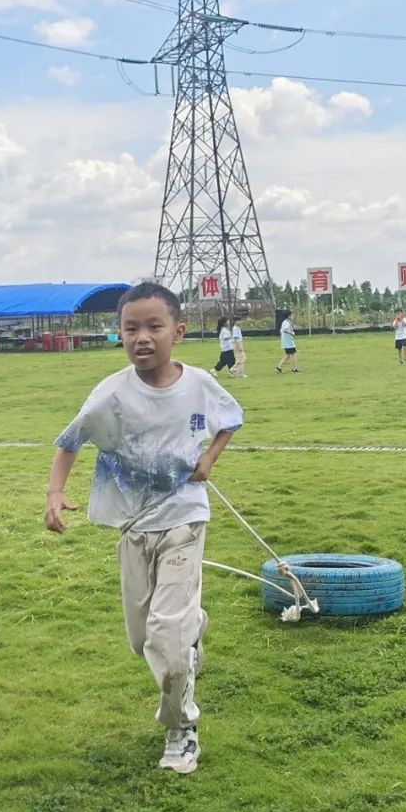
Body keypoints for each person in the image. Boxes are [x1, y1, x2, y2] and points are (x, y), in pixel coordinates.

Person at [44, 282, 242, 775]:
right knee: (144, 641)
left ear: (179, 331)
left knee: (167, 644)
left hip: (185, 519)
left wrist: (209, 460)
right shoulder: (111, 394)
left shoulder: (200, 384)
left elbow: (230, 420)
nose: (143, 338)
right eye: (131, 328)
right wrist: (54, 494)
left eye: (155, 327)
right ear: (120, 334)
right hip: (133, 526)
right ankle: (191, 630)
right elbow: (70, 440)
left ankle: (182, 731)